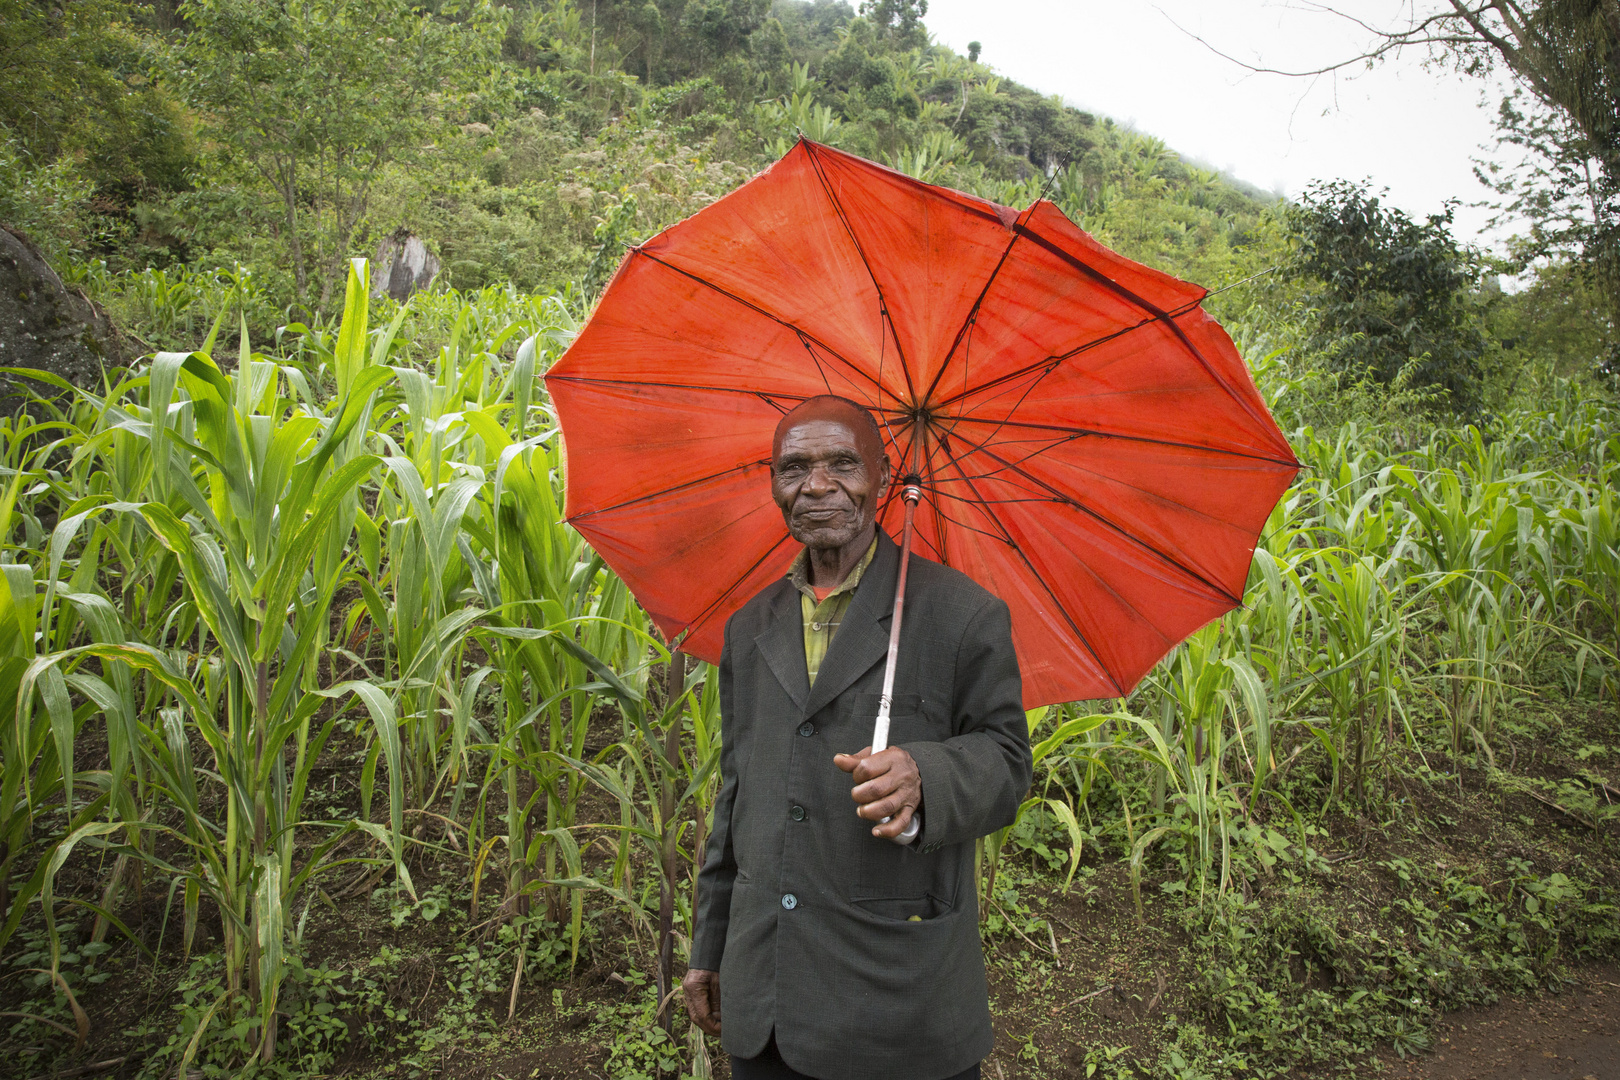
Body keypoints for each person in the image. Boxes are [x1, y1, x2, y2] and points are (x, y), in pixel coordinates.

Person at [682, 395, 1033, 1080]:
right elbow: (738, 795)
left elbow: (1007, 762)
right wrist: (712, 944)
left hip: (896, 998)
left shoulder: (962, 616)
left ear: (880, 473)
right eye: (794, 468)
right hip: (767, 997)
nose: (816, 485)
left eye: (842, 463)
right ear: (773, 482)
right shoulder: (750, 627)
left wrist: (925, 774)